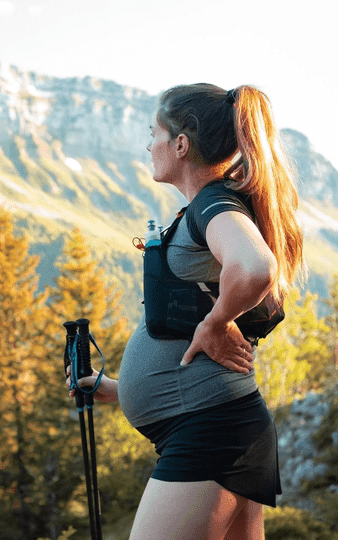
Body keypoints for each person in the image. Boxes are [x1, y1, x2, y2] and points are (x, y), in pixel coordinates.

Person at [67, 83, 303, 540]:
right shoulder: (205, 207)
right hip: (223, 426)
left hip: (208, 434)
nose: (148, 144)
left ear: (180, 144)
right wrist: (121, 389)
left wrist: (216, 324)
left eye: (153, 132)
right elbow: (190, 318)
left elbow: (255, 268)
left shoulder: (213, 204)